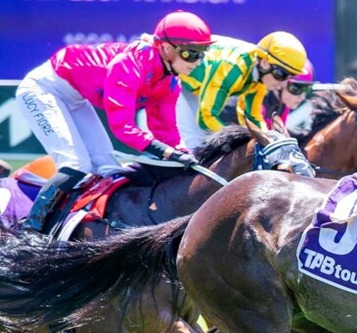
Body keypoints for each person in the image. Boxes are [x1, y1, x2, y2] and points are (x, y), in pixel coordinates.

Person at [16, 10, 213, 232]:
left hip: (76, 98)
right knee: (75, 165)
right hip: (42, 90)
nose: (198, 61)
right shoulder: (129, 65)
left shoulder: (170, 83)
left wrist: (185, 154)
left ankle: (81, 227)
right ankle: (31, 230)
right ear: (167, 49)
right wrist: (166, 153)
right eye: (191, 53)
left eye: (203, 53)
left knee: (108, 168)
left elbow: (166, 132)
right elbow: (122, 127)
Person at [176, 31, 308, 150]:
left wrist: (270, 140)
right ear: (265, 63)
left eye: (289, 77)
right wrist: (238, 139)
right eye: (281, 74)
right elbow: (206, 117)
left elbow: (253, 116)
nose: (283, 83)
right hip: (174, 76)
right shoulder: (233, 69)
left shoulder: (260, 76)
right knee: (193, 144)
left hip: (192, 87)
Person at [219, 59, 314, 135]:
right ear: (282, 82)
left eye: (306, 89)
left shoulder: (283, 106)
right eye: (296, 89)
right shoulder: (258, 101)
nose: (302, 97)